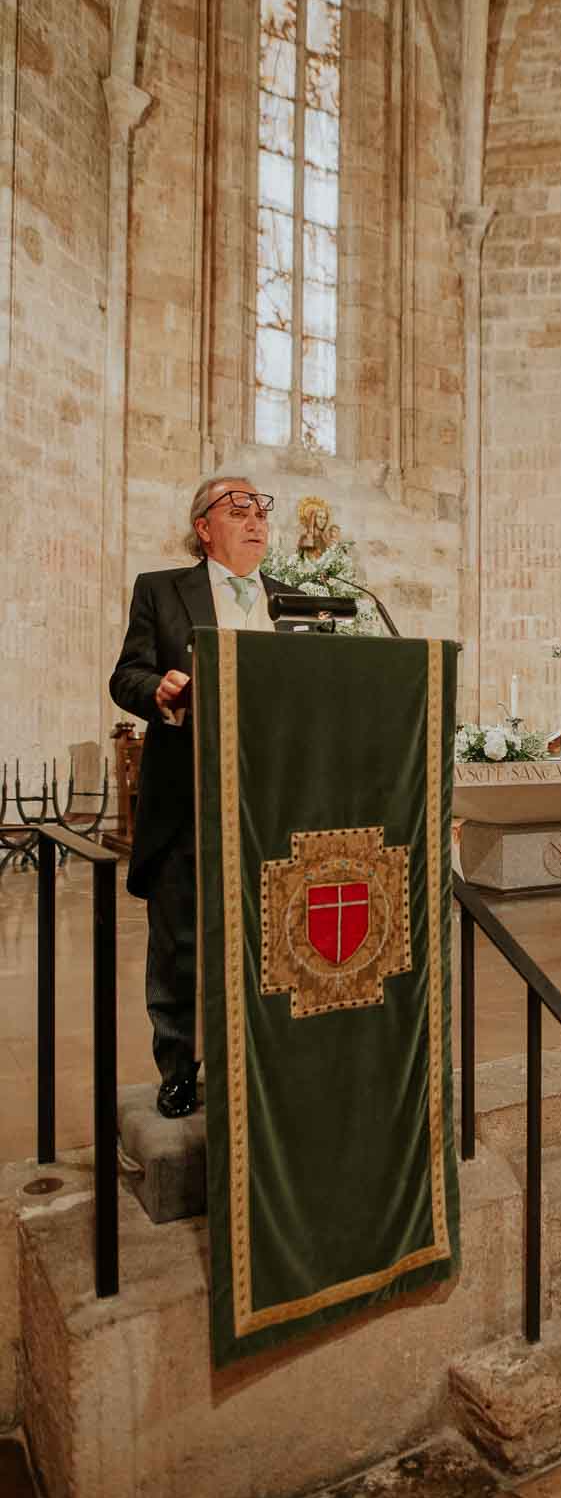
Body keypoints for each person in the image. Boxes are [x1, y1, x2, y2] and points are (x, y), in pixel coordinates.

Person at [109, 477, 295, 1118]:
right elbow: (124, 675)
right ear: (203, 527)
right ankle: (179, 1066)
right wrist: (158, 689)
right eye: (236, 508)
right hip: (186, 794)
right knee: (181, 941)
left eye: (260, 508)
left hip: (272, 798)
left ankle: (265, 1059)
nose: (253, 518)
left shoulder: (290, 600)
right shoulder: (161, 590)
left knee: (269, 935)